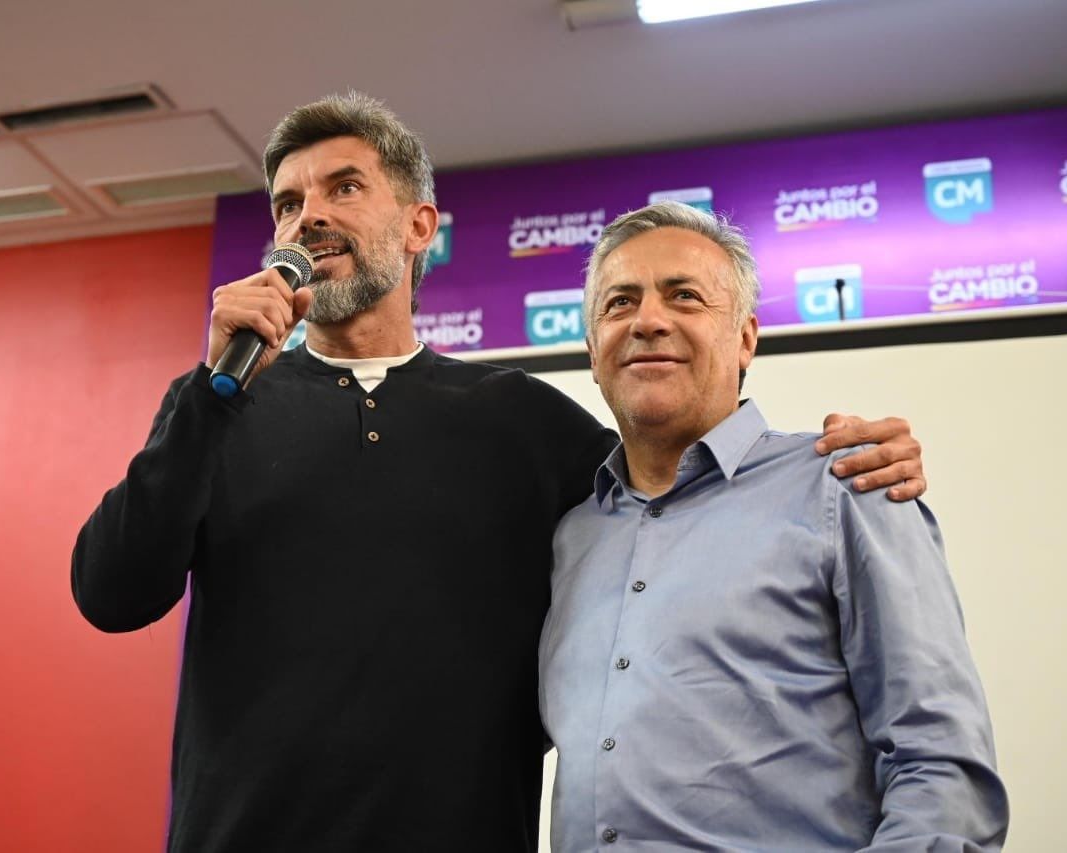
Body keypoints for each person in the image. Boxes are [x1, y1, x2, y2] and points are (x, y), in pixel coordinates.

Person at [72, 93, 929, 852]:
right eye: (287, 203)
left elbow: (677, 492)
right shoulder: (217, 405)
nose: (309, 218)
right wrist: (210, 391)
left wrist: (824, 459)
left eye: (344, 188)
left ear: (419, 226)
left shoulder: (526, 420)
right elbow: (112, 593)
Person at [539, 201, 1008, 852]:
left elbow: (939, 765)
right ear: (594, 352)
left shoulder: (847, 488)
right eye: (620, 303)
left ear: (745, 339)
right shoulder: (571, 537)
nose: (648, 320)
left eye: (684, 296)